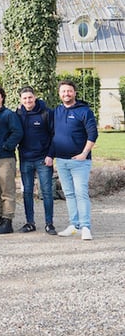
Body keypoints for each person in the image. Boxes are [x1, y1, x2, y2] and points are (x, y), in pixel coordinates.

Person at [52, 80, 98, 241]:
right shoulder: (56, 111)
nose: (66, 94)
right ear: (59, 94)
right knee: (69, 194)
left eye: (69, 91)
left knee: (81, 193)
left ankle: (85, 227)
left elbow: (93, 134)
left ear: (75, 93)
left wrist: (84, 153)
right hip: (62, 161)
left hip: (80, 162)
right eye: (63, 91)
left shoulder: (84, 111)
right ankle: (74, 225)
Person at [16, 86, 56, 234]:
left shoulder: (46, 113)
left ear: (35, 97)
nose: (28, 100)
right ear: (21, 100)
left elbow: (54, 136)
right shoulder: (18, 114)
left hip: (43, 159)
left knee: (46, 192)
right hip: (25, 159)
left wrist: (50, 155)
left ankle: (49, 223)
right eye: (24, 98)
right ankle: (30, 222)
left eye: (30, 97)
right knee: (27, 192)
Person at [0, 85, 23, 235]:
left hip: (5, 159)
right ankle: (0, 217)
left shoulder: (8, 115)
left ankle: (8, 221)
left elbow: (17, 132)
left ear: (2, 97)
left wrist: (6, 146)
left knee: (7, 191)